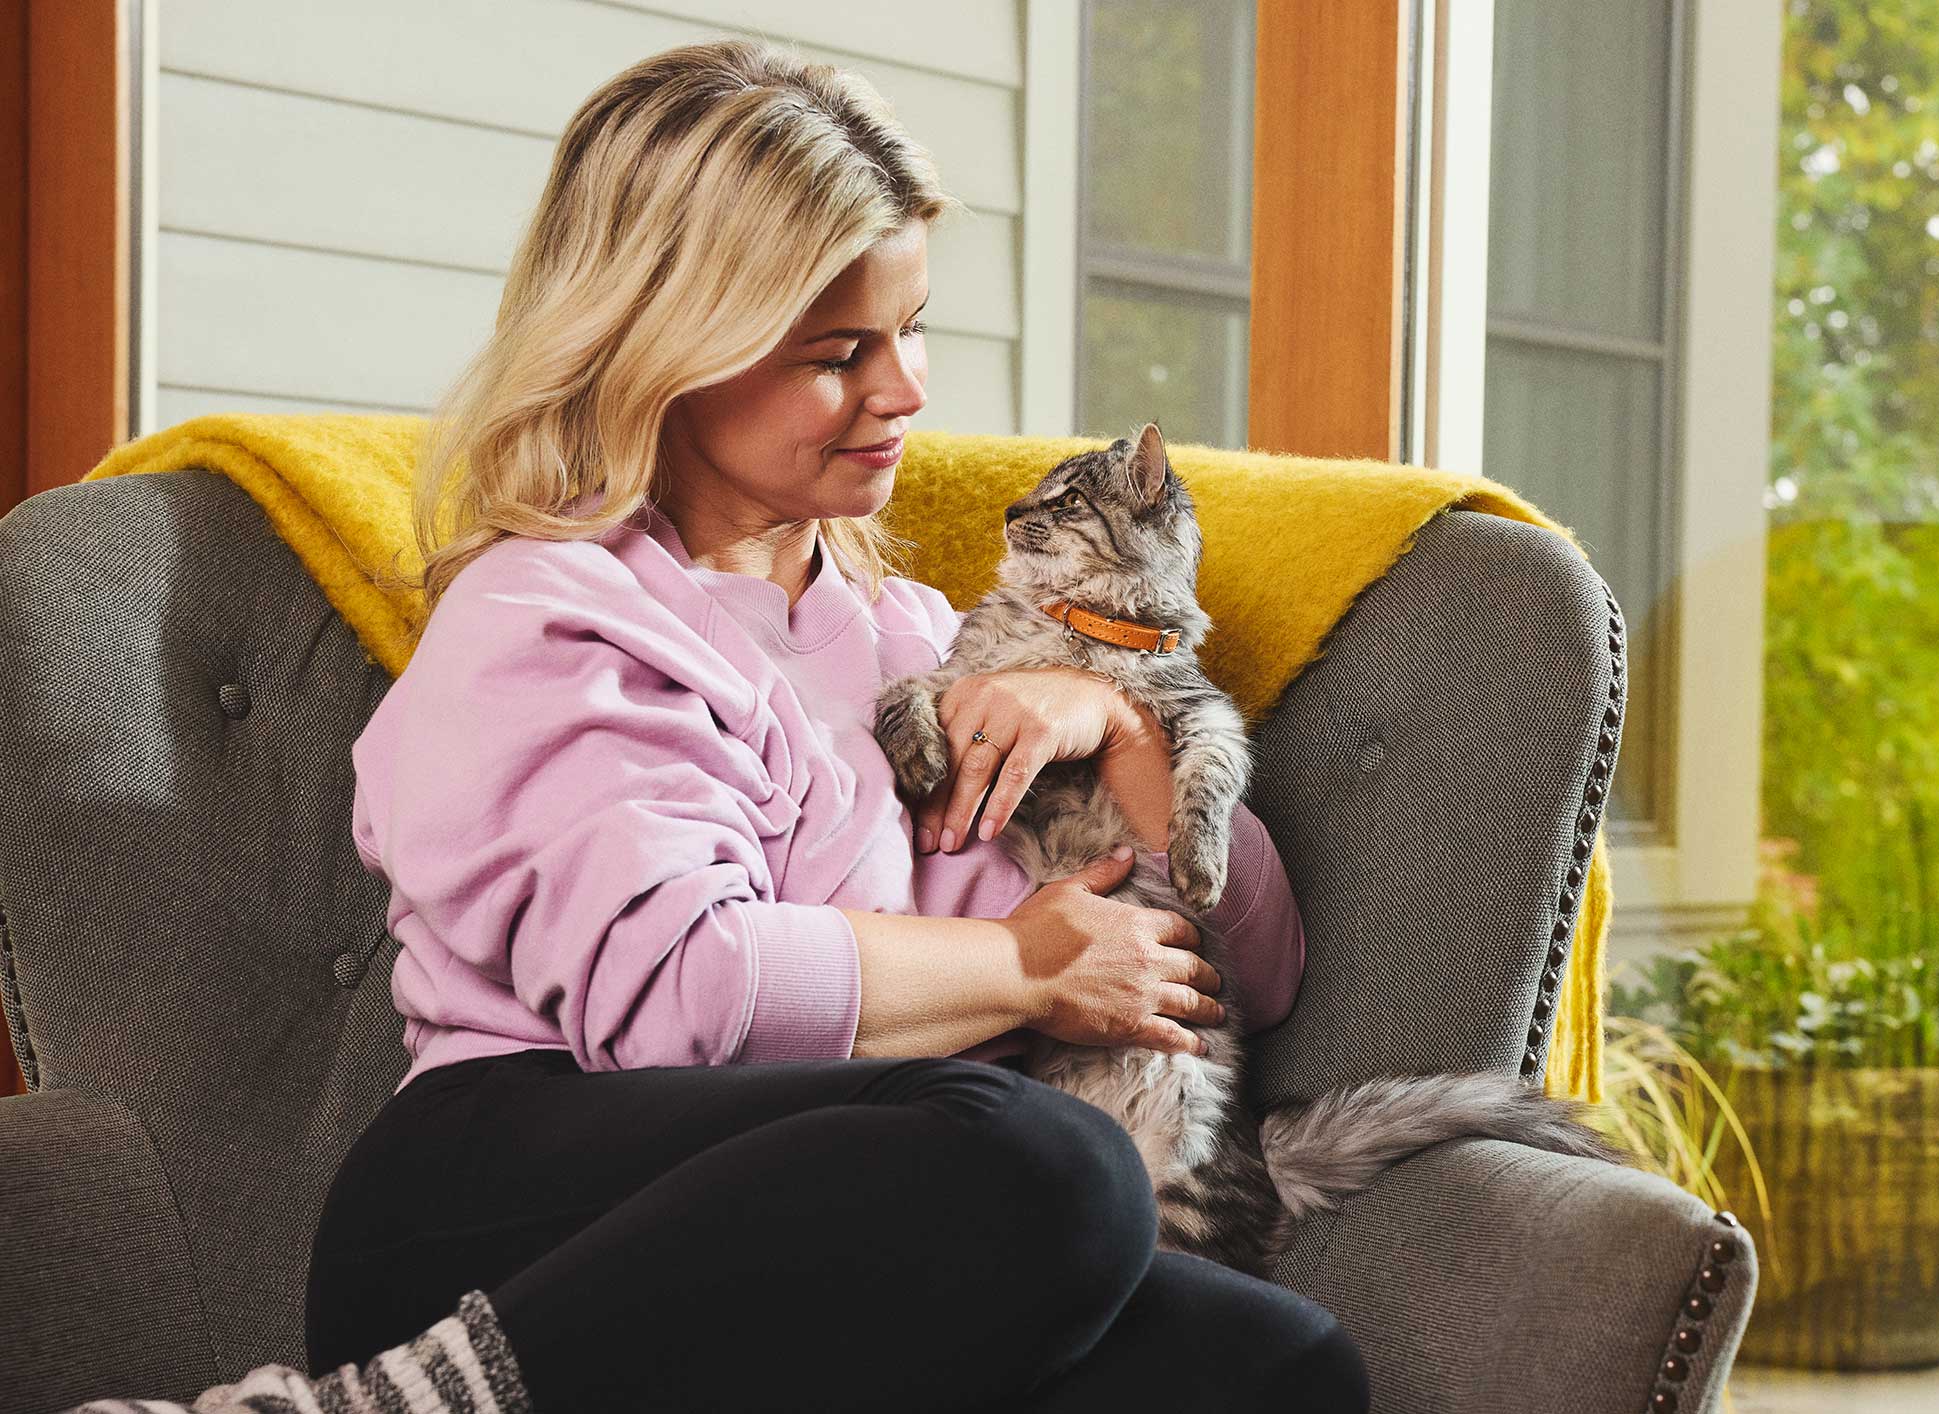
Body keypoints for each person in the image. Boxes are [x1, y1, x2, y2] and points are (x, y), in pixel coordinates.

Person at [62, 38, 1370, 1414]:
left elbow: (1251, 972)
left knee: (1279, 1365)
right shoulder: (549, 615)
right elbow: (680, 993)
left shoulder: (926, 641)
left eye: (911, 328)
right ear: (665, 348)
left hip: (844, 1206)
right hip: (501, 1211)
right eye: (836, 352)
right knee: (1048, 1161)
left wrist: (1115, 725)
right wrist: (1022, 963)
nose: (905, 390)